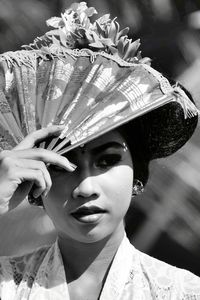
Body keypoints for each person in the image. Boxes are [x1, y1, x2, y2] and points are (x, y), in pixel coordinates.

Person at [0, 2, 200, 299]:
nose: (86, 187)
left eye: (107, 160)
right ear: (33, 185)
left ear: (138, 175)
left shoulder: (184, 292)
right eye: (59, 164)